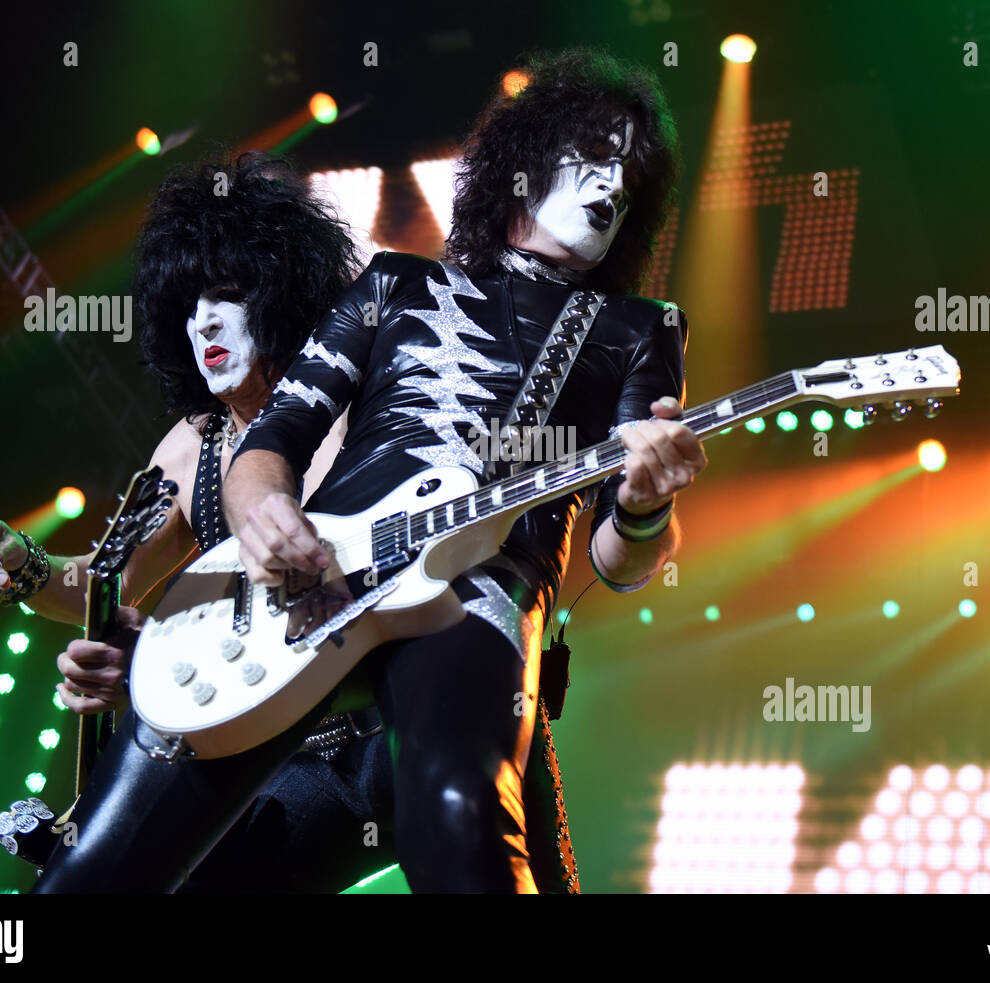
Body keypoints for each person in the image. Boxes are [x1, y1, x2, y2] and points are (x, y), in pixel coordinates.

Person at [223, 47, 707, 892]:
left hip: (474, 617)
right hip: (313, 636)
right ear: (520, 166)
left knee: (459, 815)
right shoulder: (394, 284)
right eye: (592, 159)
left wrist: (640, 506)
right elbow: (278, 433)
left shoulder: (640, 327)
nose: (609, 189)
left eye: (626, 180)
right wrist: (264, 508)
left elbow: (618, 564)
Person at [0, 152, 396, 891]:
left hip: (387, 730)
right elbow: (101, 583)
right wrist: (18, 560)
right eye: (188, 305)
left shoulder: (371, 414)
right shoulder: (192, 447)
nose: (205, 321)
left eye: (227, 293)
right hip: (266, 762)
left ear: (283, 293)